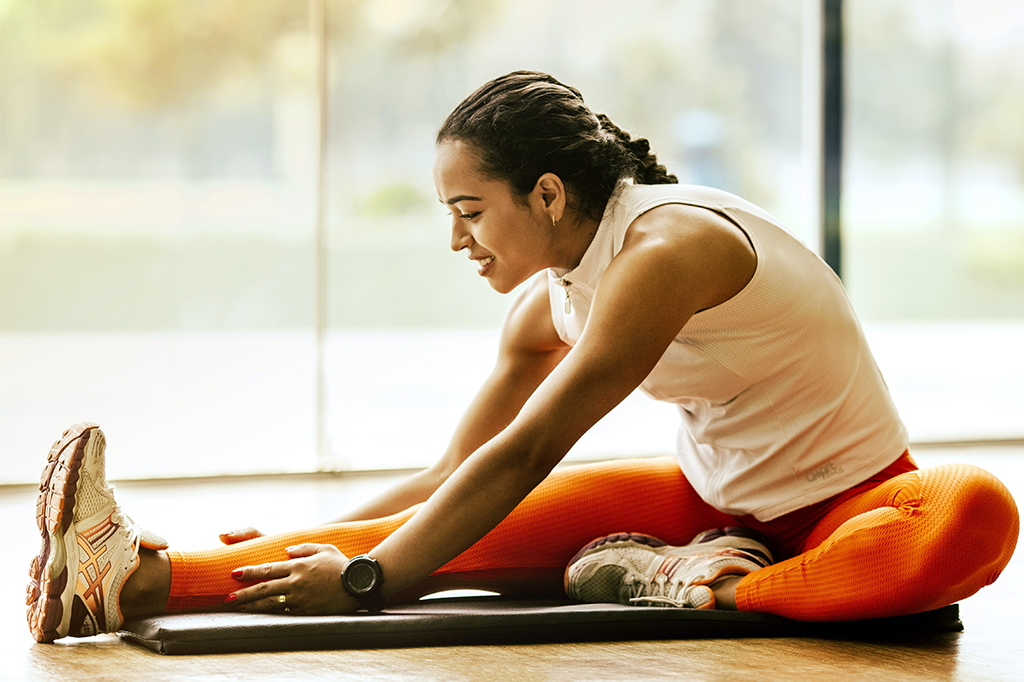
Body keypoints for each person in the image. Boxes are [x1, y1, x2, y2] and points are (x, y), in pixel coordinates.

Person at [27, 71, 1018, 643]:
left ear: (546, 194)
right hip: (710, 506)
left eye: (470, 211)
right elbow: (453, 478)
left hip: (855, 504)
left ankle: (705, 585)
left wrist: (375, 581)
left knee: (976, 510)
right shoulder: (548, 302)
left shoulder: (666, 254)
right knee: (427, 527)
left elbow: (533, 446)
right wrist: (312, 538)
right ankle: (119, 579)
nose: (458, 240)